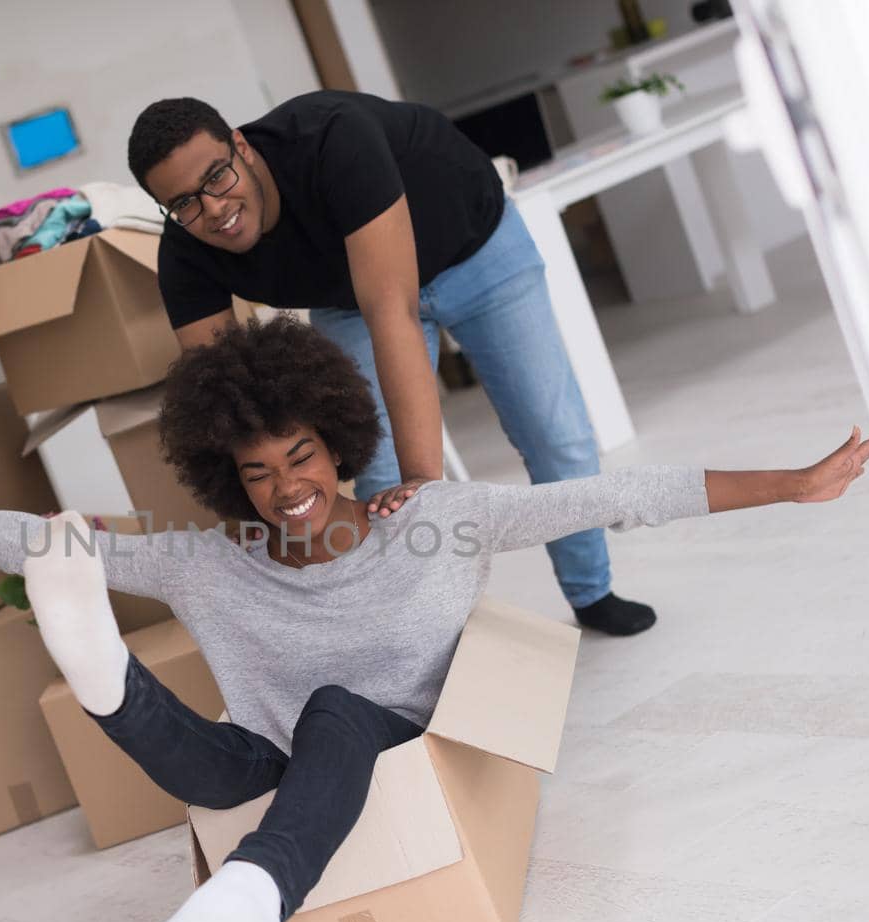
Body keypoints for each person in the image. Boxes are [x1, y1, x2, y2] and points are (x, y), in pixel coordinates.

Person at [0, 318, 869, 922]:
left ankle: (256, 888)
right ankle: (103, 675)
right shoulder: (212, 560)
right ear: (228, 478)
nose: (286, 488)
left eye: (299, 456)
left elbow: (618, 494)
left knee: (337, 714)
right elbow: (27, 536)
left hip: (393, 734)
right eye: (256, 472)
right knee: (214, 746)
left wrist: (791, 484)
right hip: (260, 767)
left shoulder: (441, 520)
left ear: (335, 442)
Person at [129, 91, 657, 636]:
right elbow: (224, 405)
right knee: (375, 477)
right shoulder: (186, 255)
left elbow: (392, 311)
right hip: (350, 301)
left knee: (554, 434)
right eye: (184, 203)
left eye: (217, 177)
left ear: (240, 146)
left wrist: (425, 483)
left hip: (476, 250)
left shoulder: (333, 139)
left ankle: (592, 593)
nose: (212, 208)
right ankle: (420, 633)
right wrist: (269, 527)